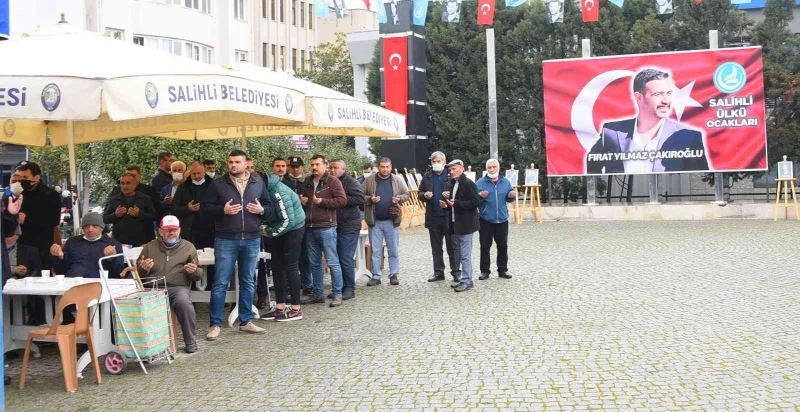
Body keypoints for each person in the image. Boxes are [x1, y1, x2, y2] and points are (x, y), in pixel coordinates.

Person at [203, 150, 272, 340]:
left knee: (248, 281)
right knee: (220, 282)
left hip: (251, 237)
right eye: (230, 162)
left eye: (237, 162)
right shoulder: (218, 183)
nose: (233, 165)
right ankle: (215, 324)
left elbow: (269, 207)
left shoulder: (258, 182)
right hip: (226, 238)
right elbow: (205, 208)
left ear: (245, 164)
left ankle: (246, 321)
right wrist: (221, 210)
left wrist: (262, 210)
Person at [587, 68, 709, 174]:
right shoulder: (611, 132)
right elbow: (592, 163)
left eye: (669, 93)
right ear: (639, 97)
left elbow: (701, 177)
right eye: (658, 94)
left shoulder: (690, 137)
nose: (666, 101)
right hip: (621, 200)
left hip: (669, 200)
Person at [137, 215, 202, 353]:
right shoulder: (149, 247)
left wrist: (193, 271)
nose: (171, 232)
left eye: (174, 229)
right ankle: (146, 345)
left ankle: (190, 341)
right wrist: (143, 268)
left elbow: (197, 276)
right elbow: (137, 273)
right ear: (160, 231)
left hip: (177, 287)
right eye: (167, 230)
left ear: (179, 230)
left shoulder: (188, 247)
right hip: (153, 287)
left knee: (184, 303)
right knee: (139, 304)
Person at [299, 155, 347, 307]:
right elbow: (306, 200)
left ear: (325, 165)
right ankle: (318, 294)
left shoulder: (333, 181)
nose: (314, 167)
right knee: (314, 263)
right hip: (310, 226)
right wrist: (304, 201)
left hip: (327, 226)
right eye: (312, 164)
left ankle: (337, 294)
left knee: (332, 262)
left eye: (317, 164)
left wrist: (323, 202)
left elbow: (342, 200)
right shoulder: (307, 180)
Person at [262, 173, 306, 321]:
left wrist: (270, 233)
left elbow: (289, 221)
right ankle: (280, 307)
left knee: (291, 267)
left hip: (294, 229)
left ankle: (295, 309)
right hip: (278, 228)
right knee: (276, 266)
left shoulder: (278, 192)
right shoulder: (265, 190)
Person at [363, 156, 409, 287]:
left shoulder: (397, 179)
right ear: (378, 167)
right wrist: (370, 199)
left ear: (391, 167)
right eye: (382, 167)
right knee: (375, 250)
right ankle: (376, 276)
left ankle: (393, 274)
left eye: (387, 167)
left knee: (393, 249)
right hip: (375, 220)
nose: (385, 169)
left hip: (392, 220)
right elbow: (360, 196)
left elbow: (407, 195)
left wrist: (399, 198)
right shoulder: (369, 180)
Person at [419, 151, 460, 284]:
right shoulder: (427, 176)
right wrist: (424, 195)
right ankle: (438, 272)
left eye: (439, 161)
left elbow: (459, 193)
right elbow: (420, 192)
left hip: (448, 216)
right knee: (436, 247)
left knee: (452, 247)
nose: (436, 164)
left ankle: (456, 273)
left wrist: (450, 197)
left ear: (444, 161)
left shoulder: (451, 175)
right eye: (434, 162)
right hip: (433, 216)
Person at [440, 159, 479, 292]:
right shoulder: (452, 184)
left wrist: (456, 203)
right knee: (460, 253)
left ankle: (467, 280)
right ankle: (464, 278)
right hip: (455, 223)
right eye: (450, 170)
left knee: (465, 254)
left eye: (454, 169)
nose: (451, 172)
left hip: (466, 224)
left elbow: (475, 202)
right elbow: (453, 203)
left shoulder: (468, 183)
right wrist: (445, 205)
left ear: (462, 168)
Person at [14, 161, 61, 270]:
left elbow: (54, 221)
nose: (22, 180)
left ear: (36, 177)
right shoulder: (18, 194)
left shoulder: (50, 195)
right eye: (20, 177)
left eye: (25, 177)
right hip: (22, 245)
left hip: (43, 246)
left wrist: (27, 219)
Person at [51, 212, 124, 278]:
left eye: (95, 226)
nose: (90, 229)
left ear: (102, 228)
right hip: (72, 283)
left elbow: (118, 273)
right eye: (86, 226)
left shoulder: (113, 244)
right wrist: (59, 257)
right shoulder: (72, 242)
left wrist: (111, 259)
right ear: (82, 228)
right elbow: (59, 271)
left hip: (100, 284)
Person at [330, 160, 364, 300]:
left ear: (344, 169)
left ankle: (350, 289)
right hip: (334, 224)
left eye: (336, 168)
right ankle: (339, 287)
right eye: (331, 167)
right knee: (336, 258)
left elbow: (360, 198)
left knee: (345, 257)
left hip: (349, 224)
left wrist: (341, 200)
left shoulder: (350, 182)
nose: (332, 170)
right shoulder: (328, 182)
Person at [476, 159, 515, 280]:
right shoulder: (480, 183)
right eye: (489, 167)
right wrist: (479, 196)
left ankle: (503, 270)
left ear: (498, 168)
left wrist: (511, 196)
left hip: (502, 220)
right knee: (485, 246)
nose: (492, 169)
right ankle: (485, 271)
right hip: (486, 220)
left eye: (494, 167)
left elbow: (508, 197)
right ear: (486, 169)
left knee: (503, 245)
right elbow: (474, 200)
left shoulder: (506, 182)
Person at [103, 173, 157, 247]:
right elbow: (105, 219)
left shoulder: (145, 199)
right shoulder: (114, 200)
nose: (125, 186)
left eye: (128, 183)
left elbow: (153, 216)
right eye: (122, 183)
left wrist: (140, 214)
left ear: (135, 185)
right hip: (120, 242)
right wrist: (115, 215)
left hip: (141, 241)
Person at [172, 161, 215, 249]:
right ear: (189, 173)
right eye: (193, 174)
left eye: (199, 173)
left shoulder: (213, 185)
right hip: (190, 231)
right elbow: (174, 208)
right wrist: (187, 208)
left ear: (204, 171)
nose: (196, 176)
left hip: (210, 230)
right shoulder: (183, 187)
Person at [285, 156, 312, 296]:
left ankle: (307, 283)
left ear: (302, 167)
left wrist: (307, 201)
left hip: (305, 222)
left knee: (305, 255)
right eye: (292, 166)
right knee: (291, 256)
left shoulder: (308, 180)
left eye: (297, 166)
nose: (294, 169)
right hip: (289, 223)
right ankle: (291, 285)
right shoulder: (284, 180)